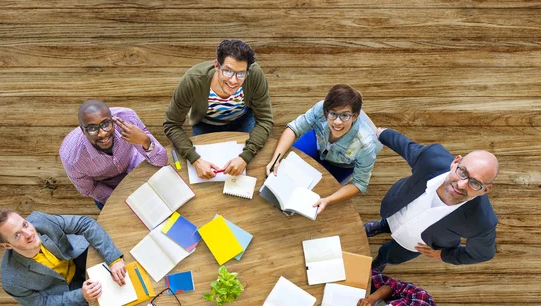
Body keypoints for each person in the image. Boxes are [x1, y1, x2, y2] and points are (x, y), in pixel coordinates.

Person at [364, 128, 500, 271]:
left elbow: (482, 254)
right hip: (395, 210)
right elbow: (406, 146)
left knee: (389, 255)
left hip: (413, 244)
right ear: (455, 162)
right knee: (386, 223)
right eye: (463, 172)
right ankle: (381, 226)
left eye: (475, 183)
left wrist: (445, 256)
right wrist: (382, 134)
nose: (461, 184)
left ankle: (379, 262)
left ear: (485, 190)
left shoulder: (482, 223)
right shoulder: (432, 158)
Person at [163, 39, 273, 180]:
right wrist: (195, 160)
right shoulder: (192, 80)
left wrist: (245, 157)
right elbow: (171, 124)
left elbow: (265, 120)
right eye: (228, 71)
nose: (233, 81)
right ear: (217, 66)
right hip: (205, 124)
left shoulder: (255, 74)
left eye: (241, 74)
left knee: (250, 170)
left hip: (242, 119)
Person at [266, 84, 381, 214]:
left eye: (345, 115)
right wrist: (276, 158)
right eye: (333, 114)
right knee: (284, 167)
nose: (337, 122)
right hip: (317, 142)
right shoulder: (321, 108)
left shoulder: (366, 145)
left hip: (341, 165)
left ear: (355, 116)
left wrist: (328, 200)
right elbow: (295, 128)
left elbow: (359, 183)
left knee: (314, 197)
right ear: (326, 111)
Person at [0, 209, 125, 306]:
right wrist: (80, 295)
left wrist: (113, 259)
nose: (29, 233)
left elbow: (85, 224)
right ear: (7, 246)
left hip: (78, 254)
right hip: (69, 287)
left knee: (126, 273)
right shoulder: (11, 280)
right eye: (17, 235)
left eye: (25, 225)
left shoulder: (39, 220)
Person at [60, 99, 168, 209]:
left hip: (135, 165)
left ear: (112, 121)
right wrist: (122, 201)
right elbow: (89, 189)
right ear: (83, 131)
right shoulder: (72, 158)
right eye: (92, 128)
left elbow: (161, 160)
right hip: (109, 186)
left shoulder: (128, 120)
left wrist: (145, 141)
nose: (102, 133)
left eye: (106, 124)